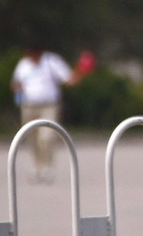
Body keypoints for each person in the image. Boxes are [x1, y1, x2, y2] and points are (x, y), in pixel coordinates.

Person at [10, 45, 87, 183]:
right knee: (31, 138)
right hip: (28, 106)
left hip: (49, 106)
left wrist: (81, 70)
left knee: (46, 137)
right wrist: (18, 90)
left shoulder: (52, 61)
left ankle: (47, 168)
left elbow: (69, 79)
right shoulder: (23, 64)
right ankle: (37, 168)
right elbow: (16, 82)